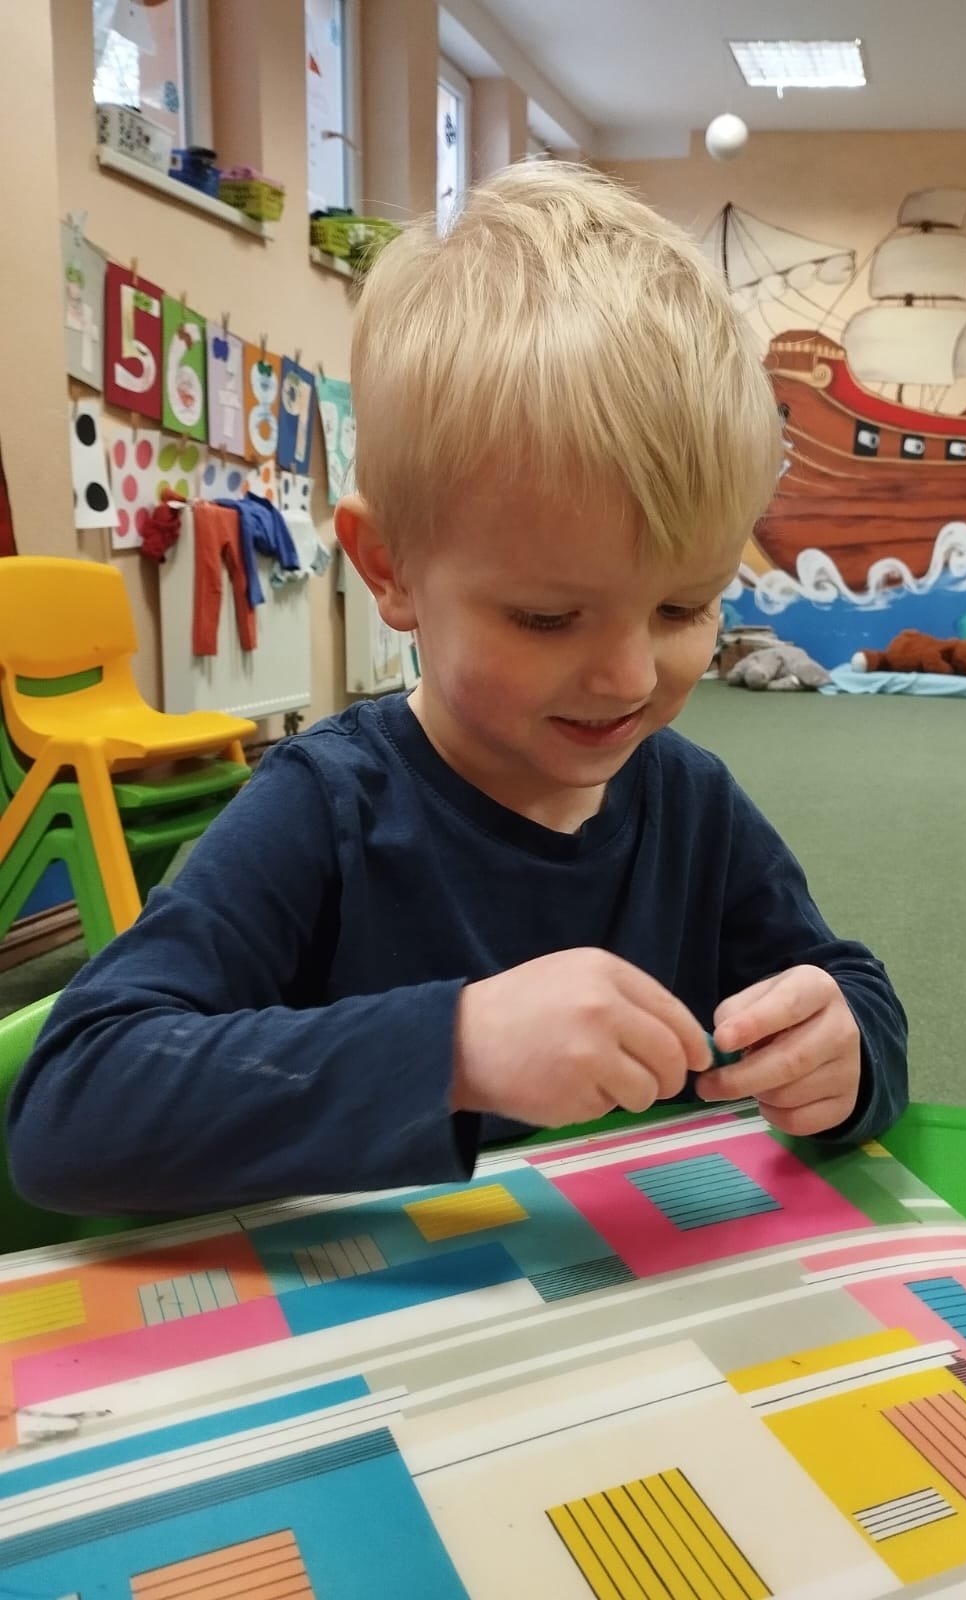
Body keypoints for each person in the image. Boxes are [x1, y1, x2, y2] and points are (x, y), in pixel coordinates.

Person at [8, 163, 907, 1216]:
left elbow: (849, 993)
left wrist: (842, 1049)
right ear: (389, 569)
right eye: (546, 618)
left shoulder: (693, 806)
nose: (630, 676)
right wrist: (455, 1048)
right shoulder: (325, 809)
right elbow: (70, 1103)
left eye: (683, 607)